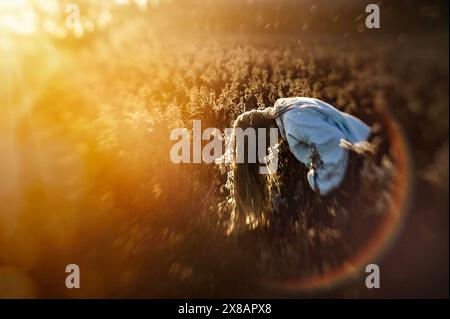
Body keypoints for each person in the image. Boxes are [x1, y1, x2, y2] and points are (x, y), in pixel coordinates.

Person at [225, 97, 372, 225]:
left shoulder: (293, 121)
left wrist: (319, 183)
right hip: (363, 151)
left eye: (258, 152)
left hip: (367, 159)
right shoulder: (287, 113)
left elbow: (334, 144)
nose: (264, 154)